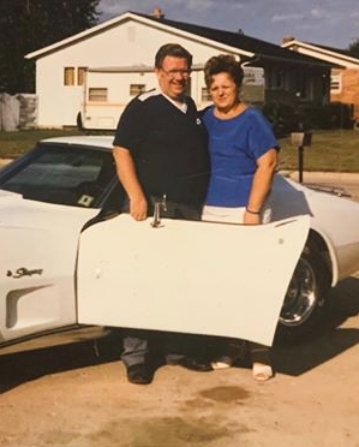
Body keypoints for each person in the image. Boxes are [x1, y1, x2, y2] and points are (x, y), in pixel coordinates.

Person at [112, 43, 213, 385]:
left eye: (184, 71)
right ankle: (137, 357)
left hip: (187, 211)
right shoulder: (144, 107)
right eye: (172, 71)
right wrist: (136, 196)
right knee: (143, 281)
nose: (179, 77)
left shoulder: (192, 108)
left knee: (181, 281)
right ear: (158, 73)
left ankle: (178, 350)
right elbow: (121, 150)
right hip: (153, 208)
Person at [200, 54, 280, 382]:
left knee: (253, 282)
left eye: (226, 86)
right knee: (223, 284)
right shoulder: (205, 118)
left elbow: (268, 163)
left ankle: (260, 353)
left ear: (238, 87)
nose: (220, 92)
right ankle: (231, 348)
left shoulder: (253, 121)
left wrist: (252, 211)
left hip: (244, 212)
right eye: (214, 87)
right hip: (210, 211)